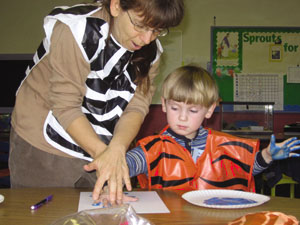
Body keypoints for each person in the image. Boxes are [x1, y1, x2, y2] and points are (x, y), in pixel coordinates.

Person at [8, 0, 184, 204]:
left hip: (99, 145)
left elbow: (136, 107)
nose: (146, 39)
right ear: (116, 6)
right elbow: (65, 105)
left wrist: (117, 148)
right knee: (45, 214)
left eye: (157, 30)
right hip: (43, 144)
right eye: (140, 25)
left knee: (98, 214)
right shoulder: (75, 29)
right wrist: (106, 156)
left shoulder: (151, 53)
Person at [121, 65, 300, 193]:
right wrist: (113, 164)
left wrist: (267, 155)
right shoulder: (151, 149)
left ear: (209, 110)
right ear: (164, 104)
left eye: (192, 110)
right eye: (175, 108)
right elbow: (125, 165)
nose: (182, 117)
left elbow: (246, 168)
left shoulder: (224, 145)